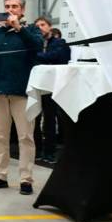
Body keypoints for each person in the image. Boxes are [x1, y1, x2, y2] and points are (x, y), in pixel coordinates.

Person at [0, 0, 44, 195]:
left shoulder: (31, 30)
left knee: (25, 136)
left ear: (22, 10)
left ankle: (26, 179)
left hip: (21, 90)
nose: (11, 10)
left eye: (15, 6)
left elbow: (36, 46)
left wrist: (19, 28)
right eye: (7, 7)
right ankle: (0, 175)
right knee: (0, 135)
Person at [33, 16, 70, 164]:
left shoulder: (59, 42)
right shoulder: (34, 43)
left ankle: (49, 153)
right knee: (33, 120)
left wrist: (37, 56)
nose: (40, 28)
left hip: (52, 87)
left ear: (49, 27)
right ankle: (36, 151)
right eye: (37, 26)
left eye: (43, 24)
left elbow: (58, 57)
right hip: (35, 85)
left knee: (49, 121)